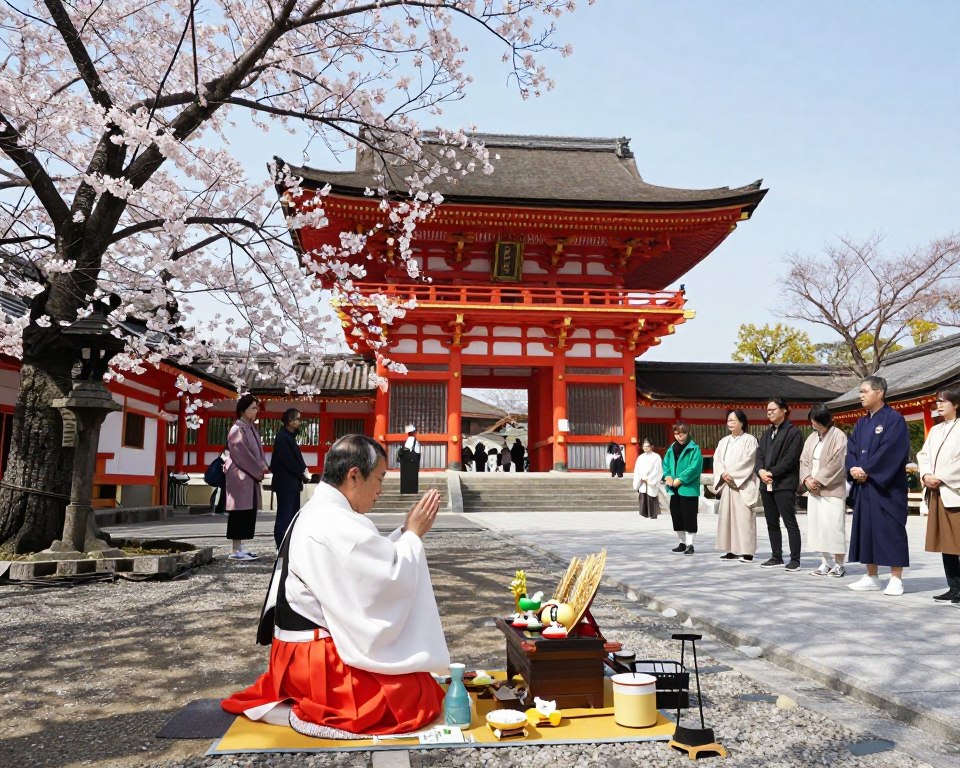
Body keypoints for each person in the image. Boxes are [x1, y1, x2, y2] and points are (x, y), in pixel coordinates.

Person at [222, 435, 448, 738]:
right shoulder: (334, 522)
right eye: (380, 478)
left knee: (417, 684)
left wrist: (406, 533)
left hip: (295, 653)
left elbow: (368, 566)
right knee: (415, 696)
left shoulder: (322, 511)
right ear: (354, 476)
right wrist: (413, 537)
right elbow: (384, 581)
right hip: (315, 661)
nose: (381, 490)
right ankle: (306, 708)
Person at [846, 376, 910, 596]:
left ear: (879, 392)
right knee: (866, 529)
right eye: (860, 392)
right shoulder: (861, 423)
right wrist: (853, 468)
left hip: (887, 486)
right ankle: (871, 575)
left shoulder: (894, 419)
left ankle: (896, 578)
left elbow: (892, 451)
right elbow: (851, 449)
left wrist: (867, 470)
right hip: (865, 486)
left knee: (891, 530)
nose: (860, 395)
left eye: (864, 391)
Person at [917, 384, 960, 602]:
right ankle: (954, 586)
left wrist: (941, 477)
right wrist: (926, 475)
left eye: (943, 401)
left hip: (953, 490)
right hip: (937, 491)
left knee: (958, 541)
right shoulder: (935, 430)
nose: (939, 405)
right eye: (938, 401)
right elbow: (923, 455)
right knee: (945, 542)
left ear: (956, 404)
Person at [799, 405, 849, 577]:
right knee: (819, 526)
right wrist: (806, 479)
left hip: (832, 488)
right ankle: (825, 562)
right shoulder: (812, 437)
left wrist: (818, 480)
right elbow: (804, 460)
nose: (813, 424)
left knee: (834, 527)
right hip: (813, 489)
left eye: (816, 422)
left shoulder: (839, 436)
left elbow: (837, 464)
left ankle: (839, 564)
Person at [755, 398, 803, 571]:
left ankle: (795, 559)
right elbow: (759, 456)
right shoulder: (766, 434)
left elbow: (790, 459)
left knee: (789, 521)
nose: (769, 413)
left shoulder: (794, 432)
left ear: (784, 410)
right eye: (767, 410)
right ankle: (776, 556)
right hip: (766, 483)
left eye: (773, 409)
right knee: (771, 522)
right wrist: (760, 471)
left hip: (784, 483)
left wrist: (772, 473)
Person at [225, 394, 270, 561]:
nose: (256, 411)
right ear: (243, 410)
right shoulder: (237, 429)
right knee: (239, 511)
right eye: (253, 408)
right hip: (240, 476)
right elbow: (241, 455)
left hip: (249, 475)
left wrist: (262, 467)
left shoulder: (249, 427)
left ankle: (240, 547)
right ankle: (235, 549)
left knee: (247, 511)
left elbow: (257, 453)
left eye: (256, 408)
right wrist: (258, 471)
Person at [714, 410, 760, 563]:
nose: (731, 423)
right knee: (728, 518)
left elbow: (749, 461)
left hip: (742, 484)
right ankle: (731, 549)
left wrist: (732, 475)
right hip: (727, 484)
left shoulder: (750, 440)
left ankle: (747, 551)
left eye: (734, 420)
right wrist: (723, 473)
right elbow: (717, 460)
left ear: (742, 422)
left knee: (744, 518)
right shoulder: (723, 441)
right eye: (729, 420)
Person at [662, 423, 703, 555]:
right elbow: (665, 464)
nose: (679, 437)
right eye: (676, 434)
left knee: (689, 516)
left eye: (682, 434)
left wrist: (681, 479)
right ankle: (682, 542)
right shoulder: (671, 448)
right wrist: (667, 476)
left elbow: (695, 467)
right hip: (674, 488)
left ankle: (690, 544)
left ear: (687, 433)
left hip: (688, 488)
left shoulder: (694, 448)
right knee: (677, 515)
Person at [271, 408, 309, 549]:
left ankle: (289, 545)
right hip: (285, 483)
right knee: (285, 516)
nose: (300, 422)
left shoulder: (289, 437)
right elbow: (288, 461)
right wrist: (301, 472)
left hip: (292, 483)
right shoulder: (282, 437)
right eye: (298, 419)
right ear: (291, 421)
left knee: (292, 516)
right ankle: (281, 545)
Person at [633, 438, 663, 519]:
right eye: (644, 446)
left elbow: (658, 470)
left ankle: (653, 514)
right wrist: (640, 478)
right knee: (643, 497)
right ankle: (644, 514)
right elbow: (637, 470)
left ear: (651, 446)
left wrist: (649, 479)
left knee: (651, 496)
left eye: (647, 446)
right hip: (642, 481)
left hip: (651, 481)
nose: (645, 448)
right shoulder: (640, 457)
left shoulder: (656, 457)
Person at [204, 448, 228, 515]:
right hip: (220, 481)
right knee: (221, 494)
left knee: (219, 494)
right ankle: (219, 509)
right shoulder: (221, 462)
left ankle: (218, 509)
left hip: (217, 481)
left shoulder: (217, 461)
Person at [398, 424, 421, 494]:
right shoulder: (415, 442)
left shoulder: (405, 442)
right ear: (414, 433)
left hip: (404, 463)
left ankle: (404, 490)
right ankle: (412, 490)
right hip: (413, 462)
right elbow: (418, 452)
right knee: (412, 478)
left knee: (405, 477)